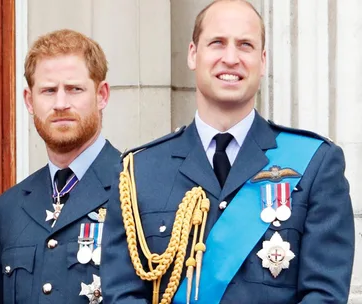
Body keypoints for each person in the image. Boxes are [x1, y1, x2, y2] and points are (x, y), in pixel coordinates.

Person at [100, 0, 355, 303]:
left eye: (245, 45)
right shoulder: (139, 172)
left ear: (262, 61)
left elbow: (324, 294)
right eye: (217, 43)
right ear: (193, 54)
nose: (230, 58)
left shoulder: (315, 164)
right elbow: (123, 294)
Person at [0, 29, 120, 304]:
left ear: (102, 95)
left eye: (74, 89)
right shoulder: (6, 211)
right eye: (48, 91)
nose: (61, 104)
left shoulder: (138, 186)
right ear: (29, 101)